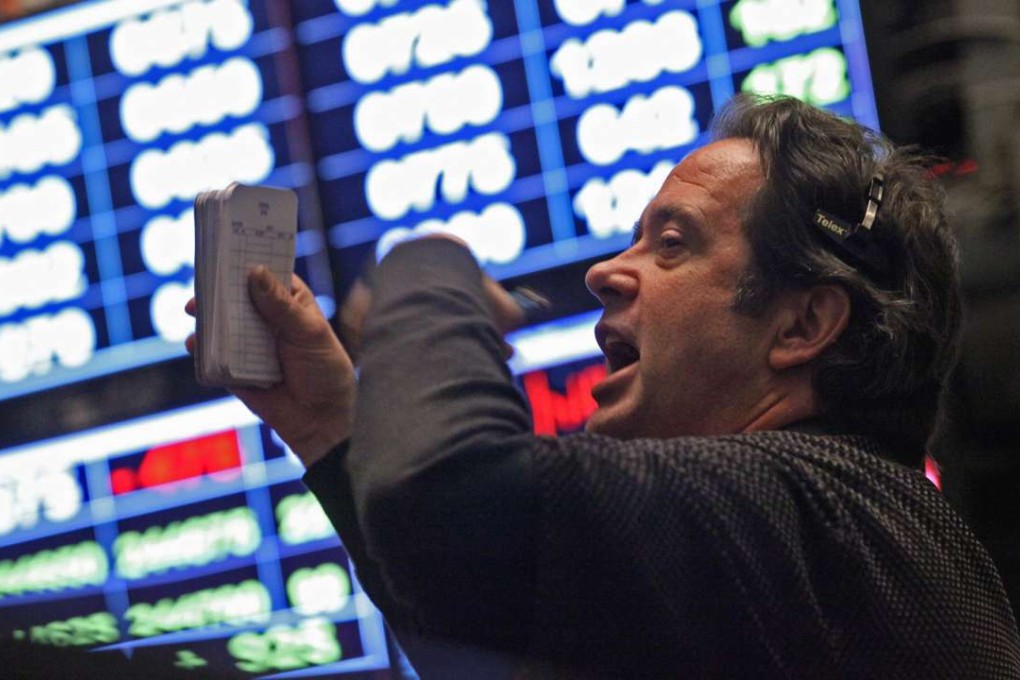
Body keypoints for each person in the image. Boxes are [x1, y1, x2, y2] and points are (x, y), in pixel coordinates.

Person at [187, 95, 1020, 677]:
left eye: (671, 243)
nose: (602, 274)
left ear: (802, 327)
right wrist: (333, 427)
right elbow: (488, 638)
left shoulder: (822, 507)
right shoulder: (815, 541)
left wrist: (425, 269)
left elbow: (446, 500)